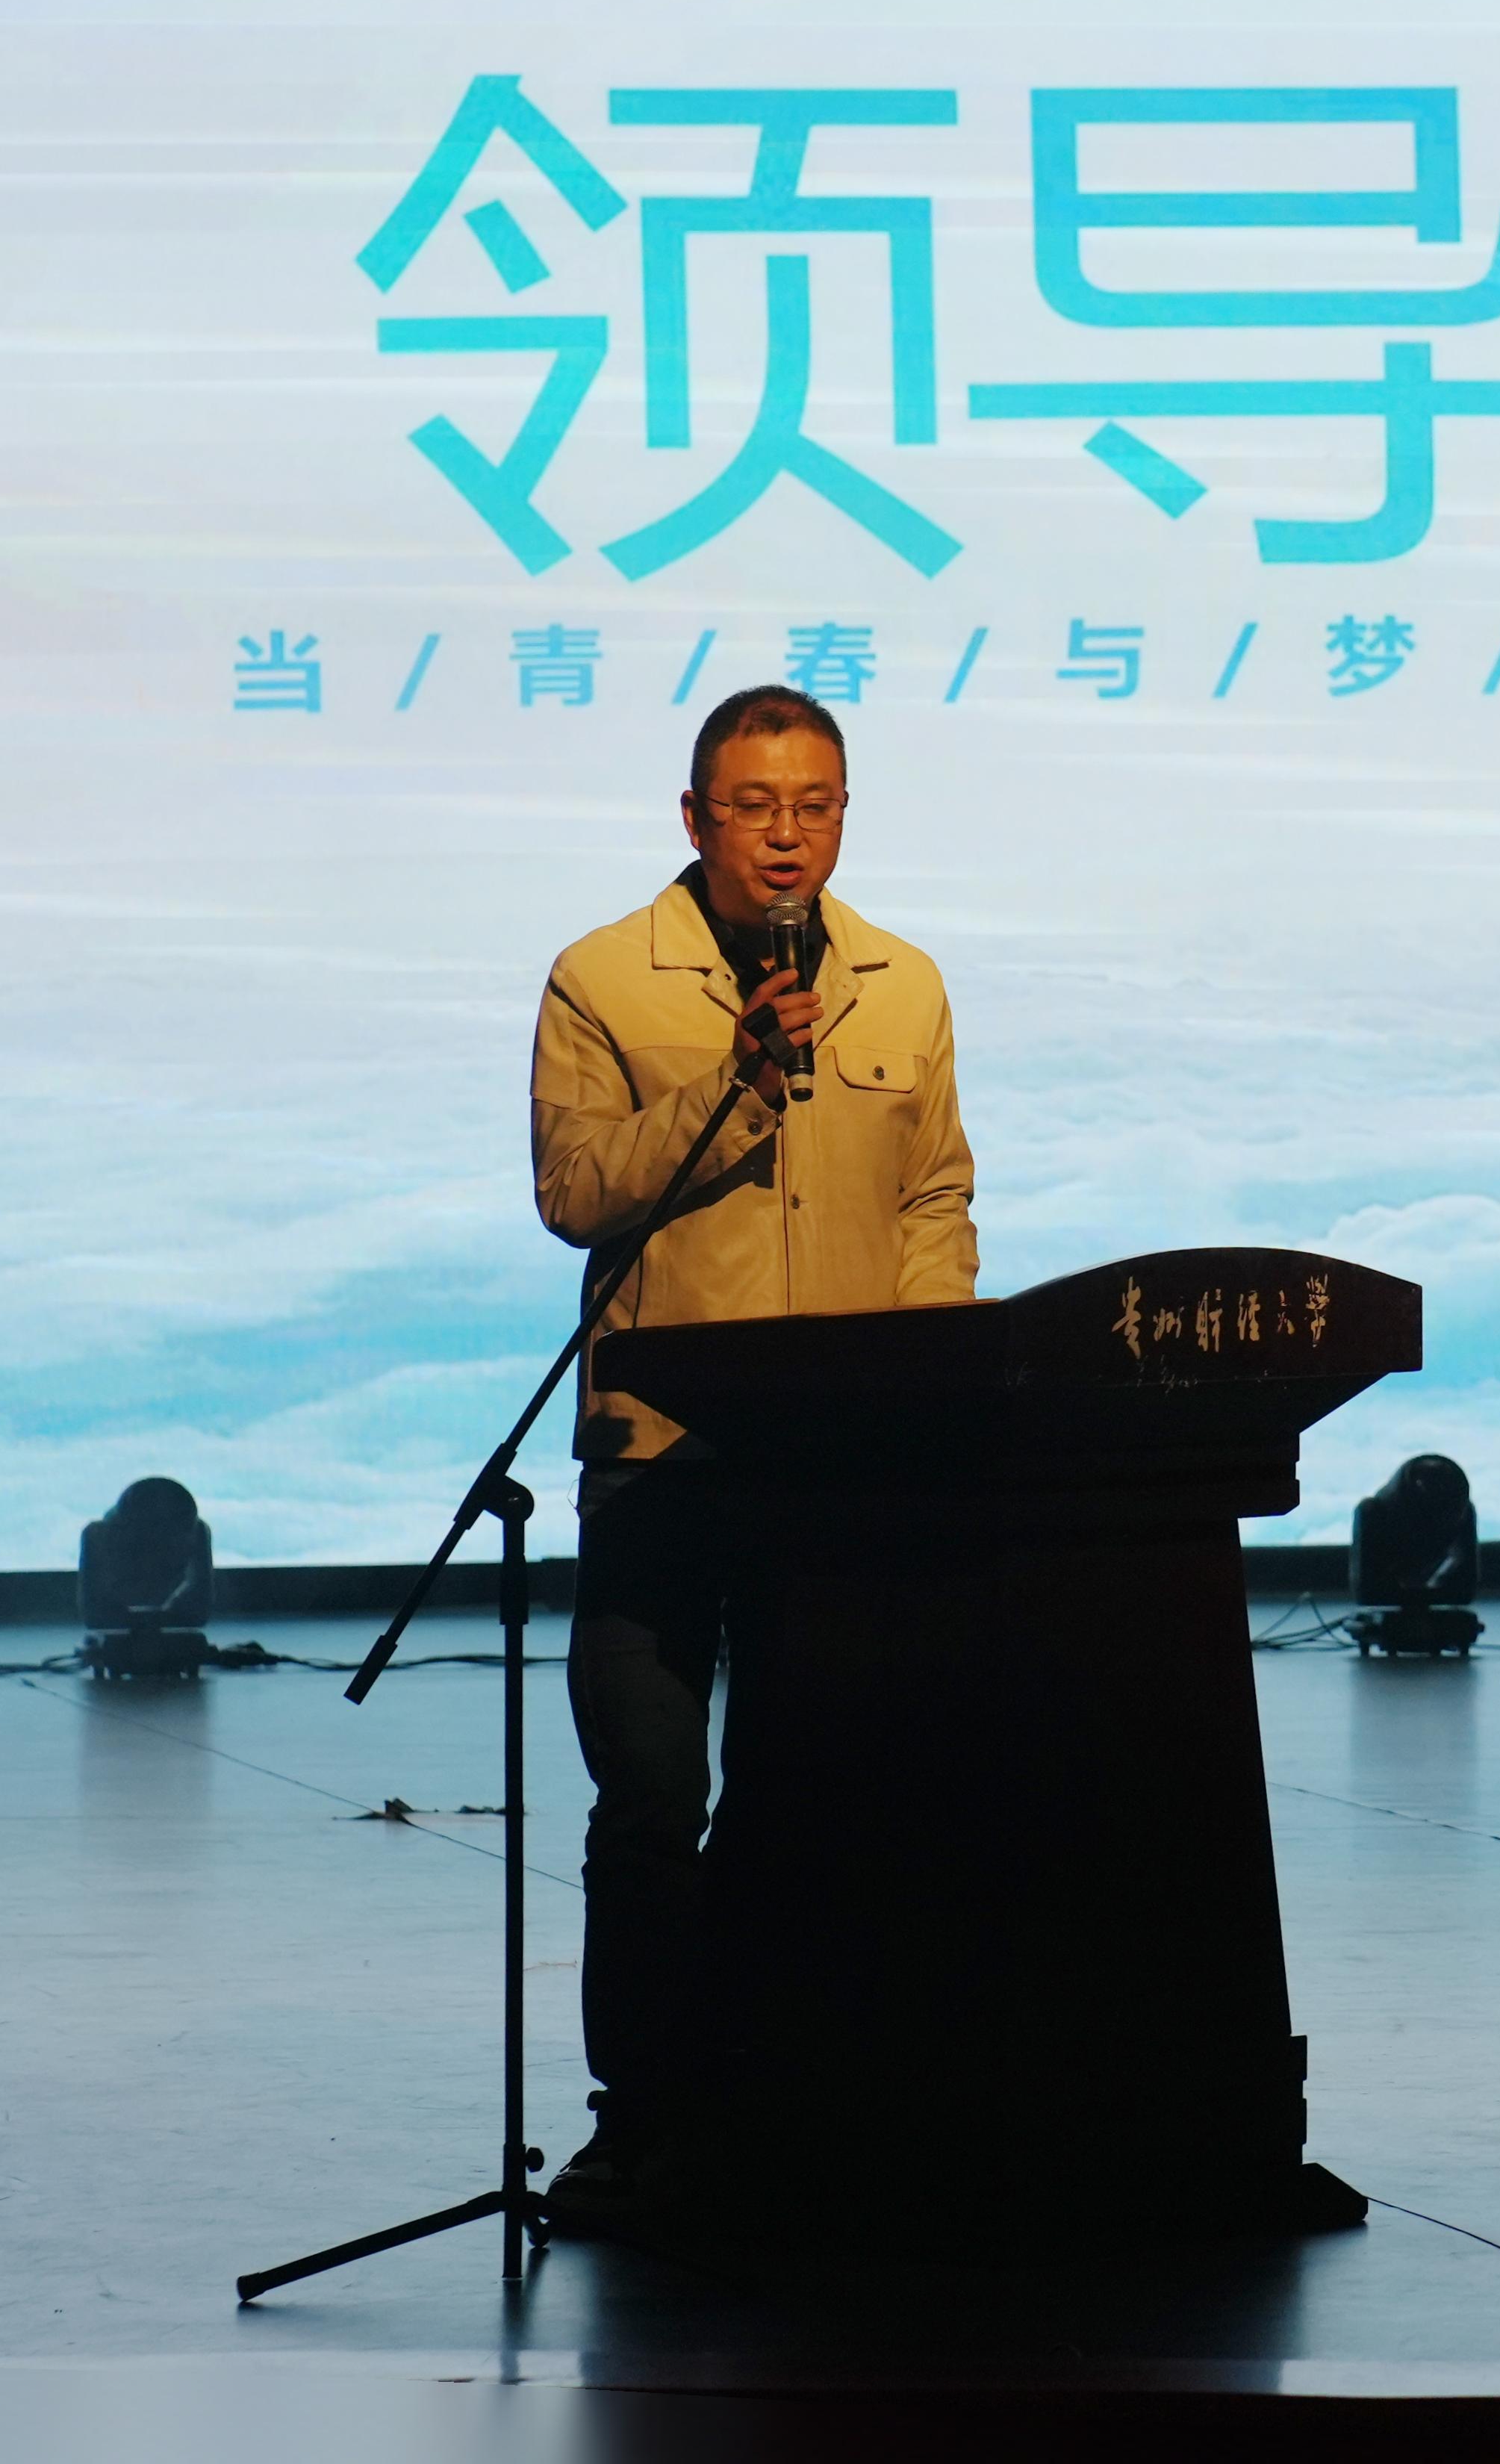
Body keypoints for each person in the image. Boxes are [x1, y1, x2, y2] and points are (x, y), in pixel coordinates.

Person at [526, 683, 976, 2225]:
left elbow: (933, 1198)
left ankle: (809, 2103)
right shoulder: (604, 977)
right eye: (754, 806)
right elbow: (577, 1190)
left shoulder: (903, 985)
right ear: (695, 816)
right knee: (654, 1803)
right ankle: (645, 2117)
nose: (787, 835)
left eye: (814, 805)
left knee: (824, 1799)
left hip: (841, 1463)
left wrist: (929, 1383)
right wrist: (728, 1080)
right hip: (661, 1455)